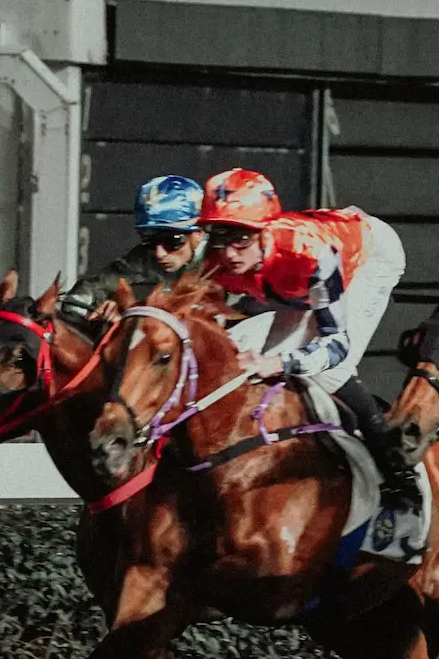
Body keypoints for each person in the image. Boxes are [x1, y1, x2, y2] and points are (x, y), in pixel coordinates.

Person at [197, 169, 415, 517]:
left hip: (366, 259)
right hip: (293, 285)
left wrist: (281, 364)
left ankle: (398, 475)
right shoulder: (214, 258)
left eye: (242, 238)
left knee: (329, 370)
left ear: (265, 230)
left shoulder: (309, 254)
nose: (230, 254)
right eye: (220, 236)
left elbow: (335, 345)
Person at [61, 175, 210, 337]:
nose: (159, 254)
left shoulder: (222, 259)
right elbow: (93, 286)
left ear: (198, 233)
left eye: (172, 240)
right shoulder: (149, 255)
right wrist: (83, 316)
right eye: (150, 240)